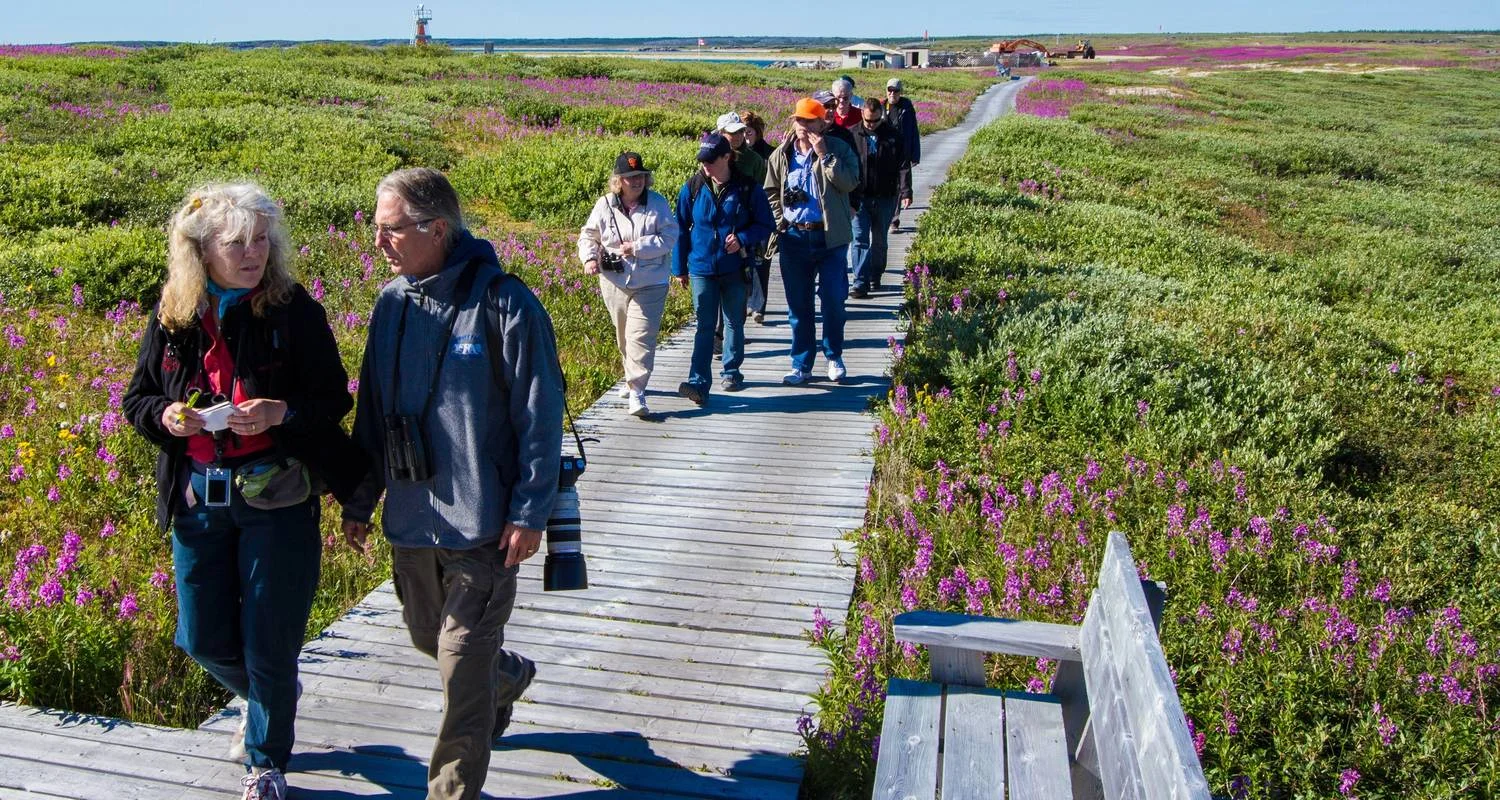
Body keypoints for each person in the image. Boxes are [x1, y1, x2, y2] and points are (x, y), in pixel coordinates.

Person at [123, 183, 369, 800]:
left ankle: (266, 764)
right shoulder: (175, 314)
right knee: (201, 637)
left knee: (270, 635)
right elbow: (137, 401)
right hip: (197, 499)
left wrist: (280, 412)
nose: (254, 252)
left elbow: (333, 398)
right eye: (237, 242)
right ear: (201, 250)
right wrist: (168, 417)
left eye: (262, 239)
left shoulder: (293, 309)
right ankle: (267, 694)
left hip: (277, 498)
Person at [340, 168, 563, 800]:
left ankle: (451, 791)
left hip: (486, 525)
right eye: (376, 228)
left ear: (437, 229)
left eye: (391, 229)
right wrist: (361, 498)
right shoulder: (390, 304)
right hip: (413, 519)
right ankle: (507, 675)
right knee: (428, 639)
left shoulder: (505, 302)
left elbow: (539, 412)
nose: (379, 242)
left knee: (460, 673)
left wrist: (529, 511)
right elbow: (373, 409)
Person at [764, 97, 860, 385]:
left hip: (829, 237)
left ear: (823, 122)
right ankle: (801, 364)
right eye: (799, 120)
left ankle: (833, 356)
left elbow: (849, 182)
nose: (803, 126)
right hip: (794, 236)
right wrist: (780, 221)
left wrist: (825, 156)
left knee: (833, 300)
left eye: (809, 121)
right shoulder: (781, 154)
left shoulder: (839, 148)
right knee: (799, 305)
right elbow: (770, 190)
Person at [673, 132, 774, 404]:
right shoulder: (692, 187)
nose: (705, 166)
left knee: (733, 322)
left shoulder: (748, 188)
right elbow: (680, 228)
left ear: (727, 157)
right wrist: (678, 267)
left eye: (711, 160)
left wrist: (742, 238)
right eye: (702, 160)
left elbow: (766, 224)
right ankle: (698, 382)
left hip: (735, 267)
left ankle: (731, 371)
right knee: (704, 326)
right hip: (701, 267)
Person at [578, 151, 679, 418]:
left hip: (651, 281)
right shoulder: (604, 205)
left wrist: (637, 247)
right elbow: (588, 236)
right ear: (618, 181)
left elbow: (670, 237)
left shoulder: (658, 204)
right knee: (623, 335)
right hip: (614, 281)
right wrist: (589, 259)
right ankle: (629, 376)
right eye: (630, 177)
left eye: (641, 177)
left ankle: (637, 392)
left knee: (640, 336)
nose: (637, 182)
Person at [848, 98, 905, 298]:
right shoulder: (852, 134)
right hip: (859, 197)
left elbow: (903, 165)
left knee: (879, 240)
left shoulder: (893, 135)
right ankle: (860, 282)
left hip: (885, 196)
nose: (871, 124)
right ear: (862, 114)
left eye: (875, 121)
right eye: (867, 120)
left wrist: (906, 191)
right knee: (859, 239)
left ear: (881, 116)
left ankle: (875, 274)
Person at [738, 110, 777, 324]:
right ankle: (744, 303)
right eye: (742, 132)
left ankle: (759, 307)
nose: (745, 136)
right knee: (744, 262)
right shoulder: (732, 156)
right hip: (743, 218)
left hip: (763, 214)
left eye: (749, 132)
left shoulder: (769, 154)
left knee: (763, 260)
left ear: (758, 132)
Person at [885, 78, 921, 232]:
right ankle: (886, 217)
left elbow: (914, 131)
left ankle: (894, 219)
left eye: (896, 90)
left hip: (902, 153)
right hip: (885, 153)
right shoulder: (881, 105)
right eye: (890, 90)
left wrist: (915, 154)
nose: (892, 93)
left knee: (901, 186)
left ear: (901, 92)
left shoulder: (906, 107)